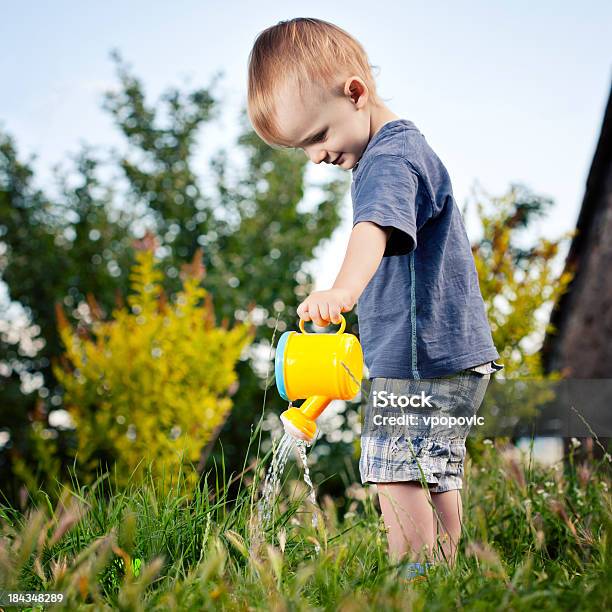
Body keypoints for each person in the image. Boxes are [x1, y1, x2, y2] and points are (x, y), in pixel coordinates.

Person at [246, 17, 503, 578]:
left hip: (420, 359)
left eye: (316, 137)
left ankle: (411, 578)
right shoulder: (402, 151)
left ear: (355, 93)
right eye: (302, 148)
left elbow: (373, 229)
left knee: (394, 470)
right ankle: (444, 572)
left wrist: (341, 290)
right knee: (434, 472)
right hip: (451, 355)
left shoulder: (387, 160)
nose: (314, 157)